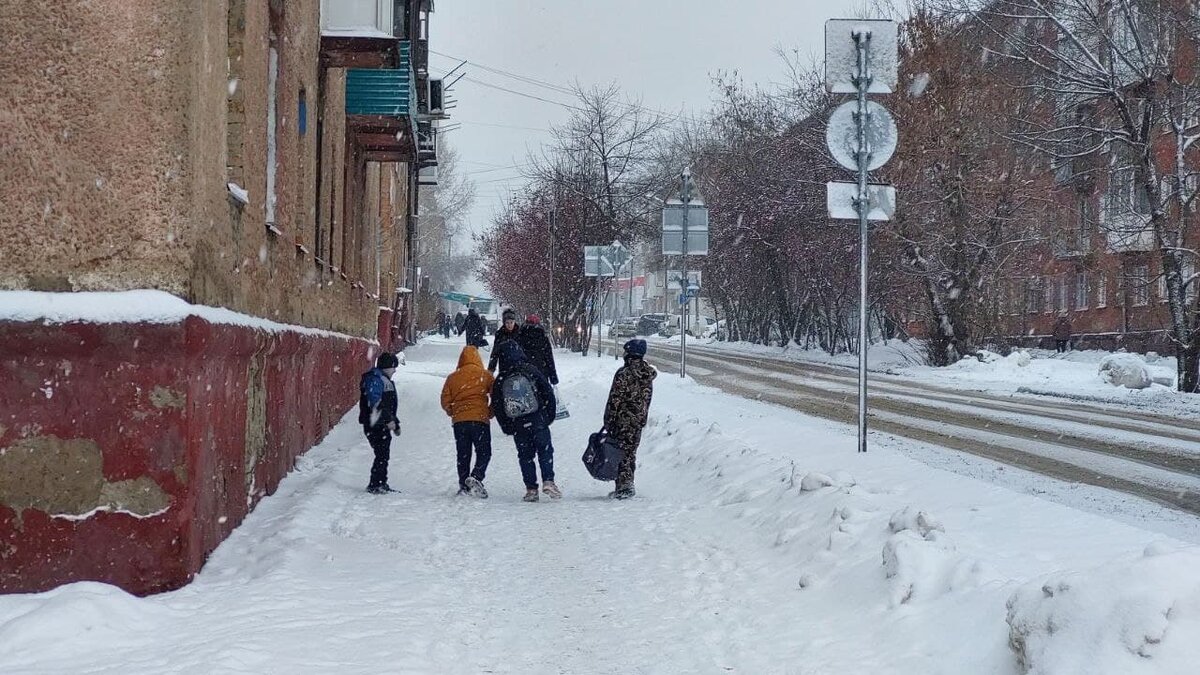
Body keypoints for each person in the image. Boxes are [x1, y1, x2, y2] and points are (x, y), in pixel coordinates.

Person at [491, 341, 560, 502]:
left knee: (525, 456)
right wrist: (548, 416)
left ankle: (531, 489)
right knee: (545, 450)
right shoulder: (530, 370)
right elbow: (547, 392)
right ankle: (548, 480)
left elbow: (498, 406)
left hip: (518, 425)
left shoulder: (501, 379)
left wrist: (507, 427)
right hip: (538, 420)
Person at [603, 339, 657, 499]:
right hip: (638, 420)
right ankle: (626, 483)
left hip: (622, 419)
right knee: (630, 452)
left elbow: (615, 399)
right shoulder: (647, 375)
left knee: (619, 452)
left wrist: (608, 419)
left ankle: (624, 487)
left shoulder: (623, 374)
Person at [441, 344, 495, 498]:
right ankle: (477, 476)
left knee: (463, 454)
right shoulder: (485, 375)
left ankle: (463, 485)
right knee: (484, 452)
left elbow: (445, 399)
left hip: (460, 422)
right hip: (480, 420)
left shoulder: (453, 377)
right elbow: (496, 396)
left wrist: (453, 411)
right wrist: (490, 412)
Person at [359, 352, 401, 494]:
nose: (395, 370)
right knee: (382, 454)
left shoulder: (382, 379)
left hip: (380, 422)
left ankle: (380, 482)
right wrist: (388, 419)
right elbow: (375, 402)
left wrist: (395, 421)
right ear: (387, 367)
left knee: (383, 454)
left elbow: (388, 405)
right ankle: (375, 484)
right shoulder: (375, 379)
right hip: (375, 423)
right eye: (393, 367)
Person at [517, 314, 558, 386]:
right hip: (541, 371)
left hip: (525, 372)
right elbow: (549, 358)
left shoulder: (520, 336)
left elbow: (517, 356)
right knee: (543, 394)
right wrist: (553, 377)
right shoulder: (543, 337)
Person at [487, 308, 521, 373]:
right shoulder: (500, 334)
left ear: (514, 322)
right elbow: (495, 353)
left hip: (518, 366)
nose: (509, 325)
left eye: (511, 322)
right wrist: (491, 369)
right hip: (504, 366)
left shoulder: (520, 333)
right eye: (507, 323)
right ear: (504, 323)